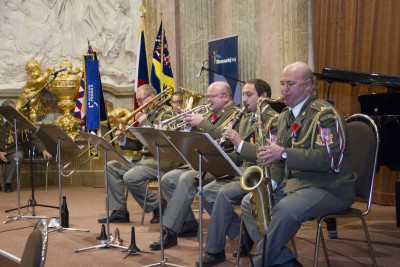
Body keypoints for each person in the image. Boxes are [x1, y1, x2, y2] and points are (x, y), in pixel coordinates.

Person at [242, 62, 356, 267]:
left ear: (308, 86)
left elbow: (330, 161)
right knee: (250, 203)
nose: (284, 89)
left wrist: (284, 153)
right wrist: (272, 185)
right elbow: (276, 160)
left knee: (284, 210)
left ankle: (260, 262)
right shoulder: (285, 116)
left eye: (291, 84)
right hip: (297, 184)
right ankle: (283, 261)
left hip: (330, 186)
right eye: (282, 83)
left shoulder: (325, 115)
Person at [148, 81, 240, 250]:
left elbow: (225, 141)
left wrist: (202, 123)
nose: (208, 100)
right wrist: (190, 128)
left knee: (185, 179)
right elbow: (202, 141)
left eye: (211, 96)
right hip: (204, 163)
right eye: (208, 96)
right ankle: (188, 222)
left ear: (225, 97)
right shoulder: (216, 115)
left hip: (222, 165)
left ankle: (169, 231)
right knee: (168, 179)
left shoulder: (235, 114)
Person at [197, 79, 279, 266]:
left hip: (262, 172)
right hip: (244, 170)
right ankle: (244, 234)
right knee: (207, 191)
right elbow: (238, 154)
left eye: (249, 95)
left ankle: (214, 251)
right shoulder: (247, 118)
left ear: (263, 97)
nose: (244, 99)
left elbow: (267, 153)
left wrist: (239, 142)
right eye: (242, 94)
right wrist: (219, 156)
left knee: (224, 193)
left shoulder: (274, 119)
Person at [97, 84, 177, 224]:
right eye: (138, 101)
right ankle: (119, 211)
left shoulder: (166, 112)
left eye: (140, 100)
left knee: (131, 177)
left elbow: (160, 139)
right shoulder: (148, 115)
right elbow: (139, 145)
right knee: (111, 166)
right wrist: (123, 140)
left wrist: (143, 121)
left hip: (160, 161)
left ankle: (158, 205)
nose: (138, 104)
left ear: (152, 97)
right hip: (143, 161)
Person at [0, 99, 52, 192]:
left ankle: (7, 183)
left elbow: (32, 137)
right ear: (4, 110)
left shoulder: (19, 121)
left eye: (15, 110)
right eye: (11, 110)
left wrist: (43, 150)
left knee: (18, 157)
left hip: (13, 151)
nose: (14, 113)